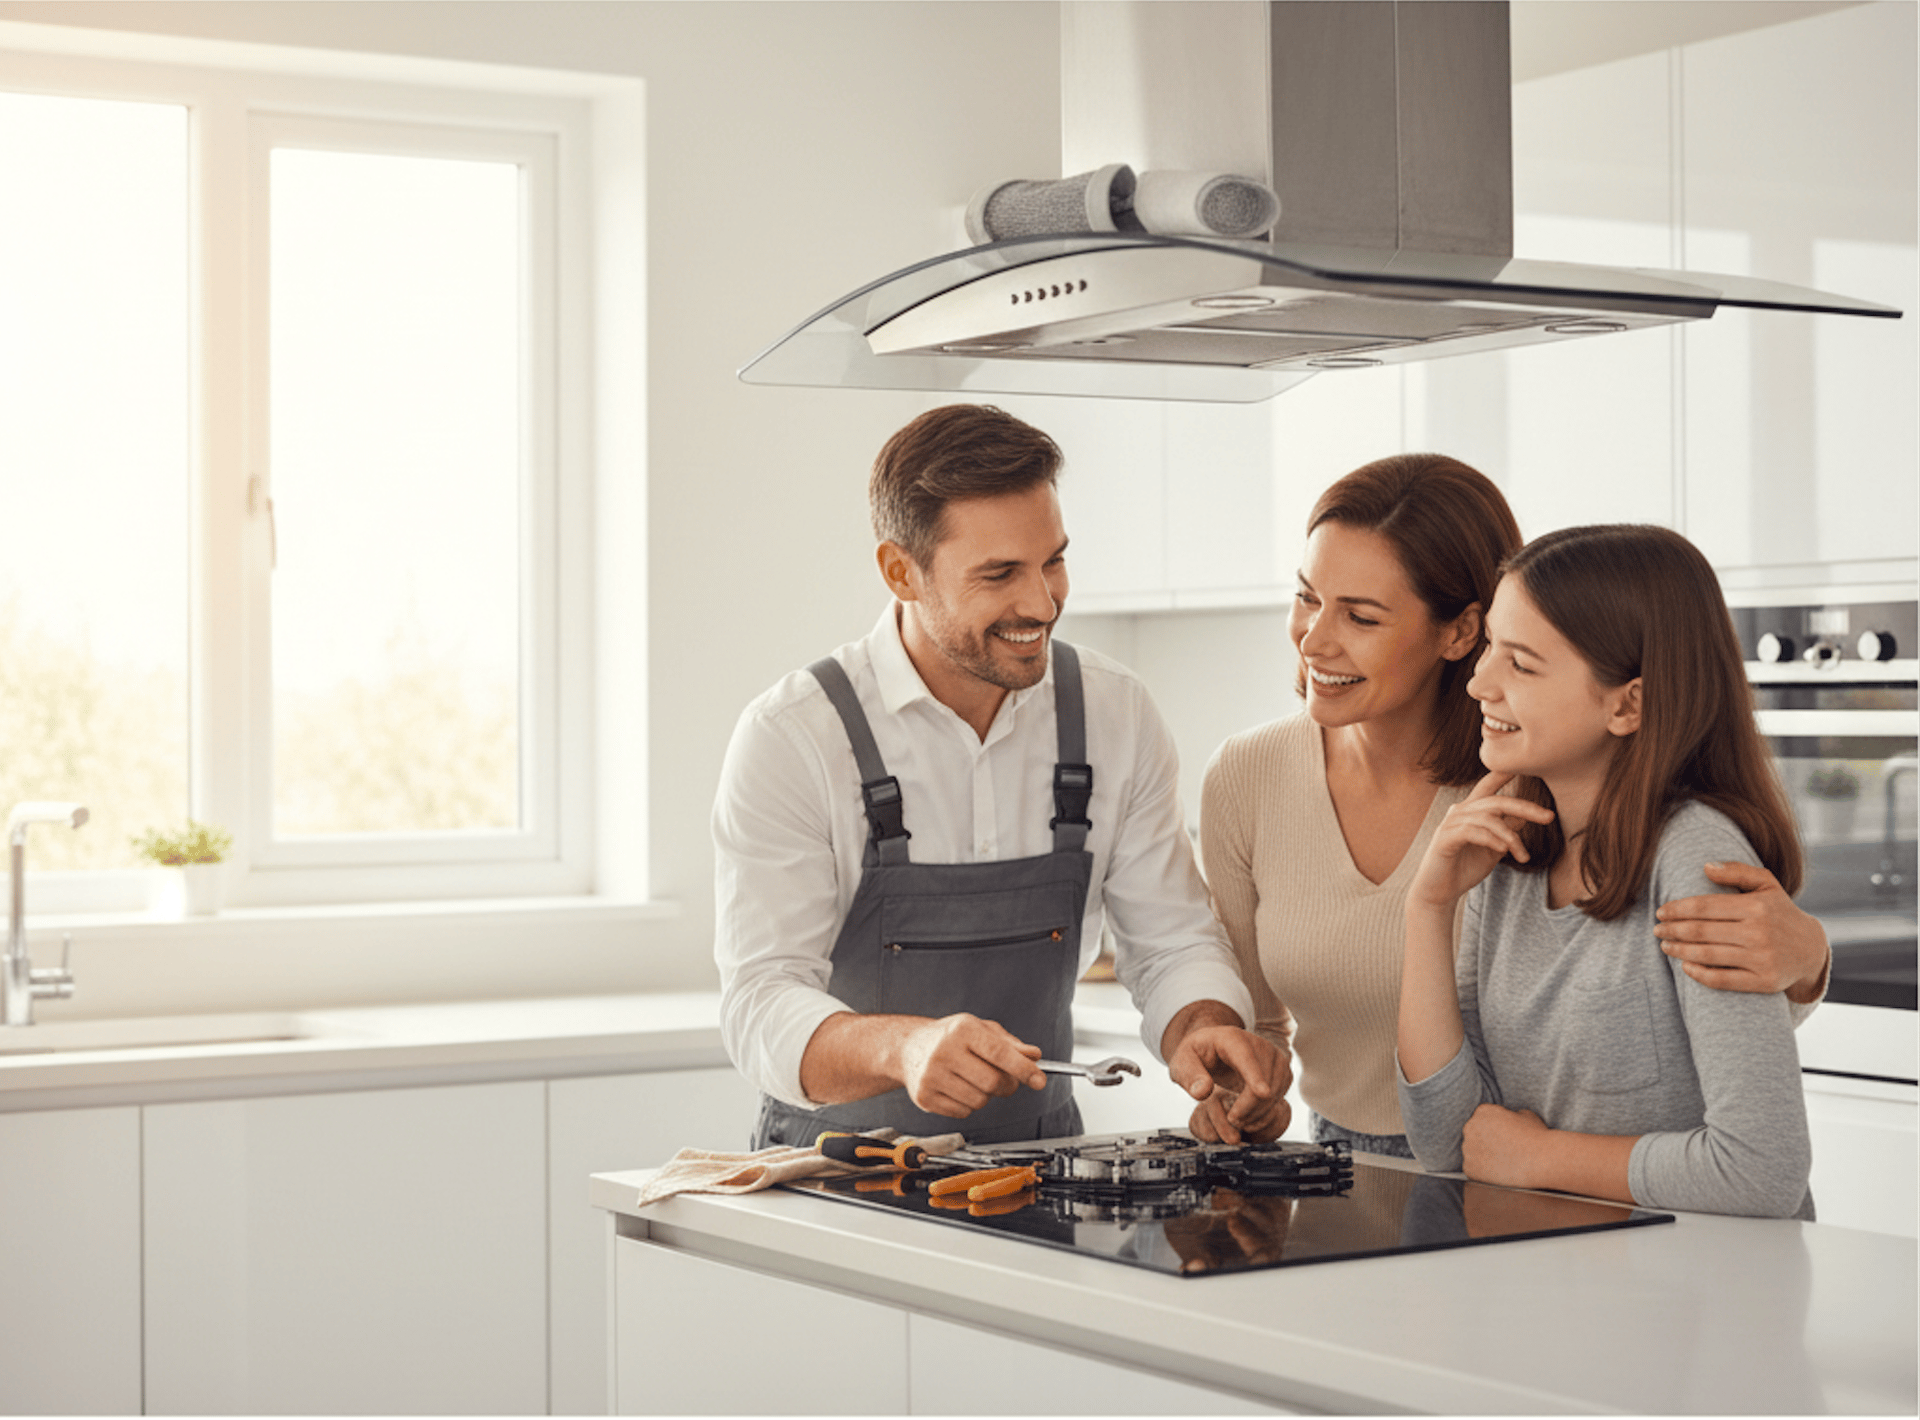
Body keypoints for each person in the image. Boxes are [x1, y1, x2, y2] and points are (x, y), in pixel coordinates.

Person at [1198, 455, 1829, 1156]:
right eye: (1308, 597)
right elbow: (1258, 1022)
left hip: (1516, 1175)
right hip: (1381, 1162)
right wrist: (1239, 1089)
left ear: (1460, 632)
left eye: (1362, 616)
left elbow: (1676, 1039)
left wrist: (1807, 963)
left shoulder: (1532, 785)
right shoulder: (1248, 777)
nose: (1314, 638)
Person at [714, 403, 1291, 1149]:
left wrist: (1203, 1031)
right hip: (834, 1171)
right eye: (1000, 573)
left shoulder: (1115, 714)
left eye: (1053, 560)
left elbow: (1172, 941)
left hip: (1041, 1161)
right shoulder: (793, 738)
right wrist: (904, 1048)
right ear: (901, 571)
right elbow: (759, 1003)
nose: (1041, 602)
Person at [1396, 524, 1814, 1218]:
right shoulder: (1508, 852)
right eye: (1490, 647)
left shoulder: (1694, 859)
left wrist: (1538, 1159)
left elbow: (1760, 1169)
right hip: (1578, 1284)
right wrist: (1428, 906)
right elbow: (1448, 1143)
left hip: (1710, 1304)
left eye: (1521, 664)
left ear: (1628, 704)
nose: (1478, 682)